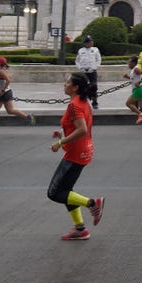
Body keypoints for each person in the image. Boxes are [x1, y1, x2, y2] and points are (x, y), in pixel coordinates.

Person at [47, 72, 104, 240]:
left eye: (67, 83)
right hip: (83, 150)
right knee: (66, 191)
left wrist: (60, 142)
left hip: (75, 154)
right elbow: (77, 126)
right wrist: (62, 133)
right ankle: (80, 229)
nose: (64, 85)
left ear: (75, 87)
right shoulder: (82, 102)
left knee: (55, 193)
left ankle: (92, 203)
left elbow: (82, 129)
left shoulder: (74, 105)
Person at [0, 57, 35, 127]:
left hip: (3, 93)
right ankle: (28, 117)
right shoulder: (2, 70)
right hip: (7, 92)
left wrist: (2, 90)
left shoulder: (1, 71)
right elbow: (9, 78)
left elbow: (8, 80)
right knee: (10, 110)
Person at [124, 56, 142, 126]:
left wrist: (139, 82)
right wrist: (127, 77)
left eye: (129, 63)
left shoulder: (136, 69)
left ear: (134, 63)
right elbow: (134, 79)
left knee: (128, 103)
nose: (128, 64)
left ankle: (140, 114)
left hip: (139, 89)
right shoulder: (134, 69)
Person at [75, 36, 101, 108]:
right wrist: (80, 68)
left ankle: (94, 102)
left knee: (94, 86)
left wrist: (94, 68)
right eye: (89, 42)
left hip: (92, 71)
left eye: (91, 41)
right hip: (84, 71)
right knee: (83, 87)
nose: (91, 43)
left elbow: (98, 60)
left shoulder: (95, 50)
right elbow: (77, 61)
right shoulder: (81, 50)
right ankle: (82, 102)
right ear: (85, 43)